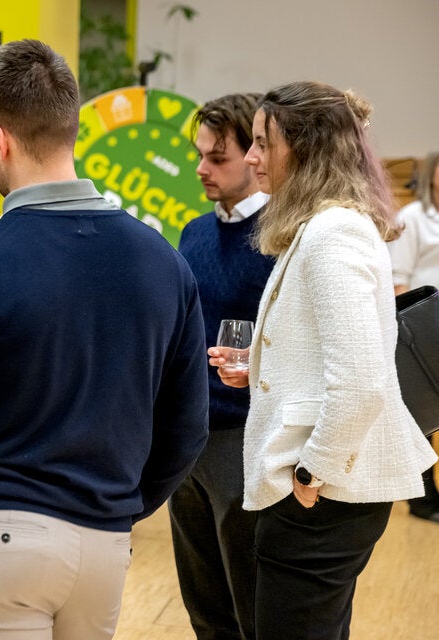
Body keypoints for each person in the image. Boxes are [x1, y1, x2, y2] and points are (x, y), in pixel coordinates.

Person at [0, 39, 209, 640]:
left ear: (1, 139)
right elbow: (188, 427)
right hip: (106, 542)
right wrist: (123, 505)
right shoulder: (165, 263)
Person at [213, 81, 438, 639]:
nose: (251, 158)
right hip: (324, 491)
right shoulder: (325, 226)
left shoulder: (334, 232)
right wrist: (261, 369)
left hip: (322, 494)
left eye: (263, 143)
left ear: (306, 146)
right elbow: (336, 355)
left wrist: (313, 472)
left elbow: (361, 381)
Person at [169, 93, 274, 640]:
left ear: (255, 156)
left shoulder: (284, 237)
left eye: (217, 158)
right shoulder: (193, 233)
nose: (202, 168)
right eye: (200, 154)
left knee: (252, 605)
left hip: (248, 439)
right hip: (189, 436)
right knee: (204, 605)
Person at [387, 152, 439, 523]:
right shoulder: (412, 218)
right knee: (422, 412)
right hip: (424, 325)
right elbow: (399, 279)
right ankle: (422, 497)